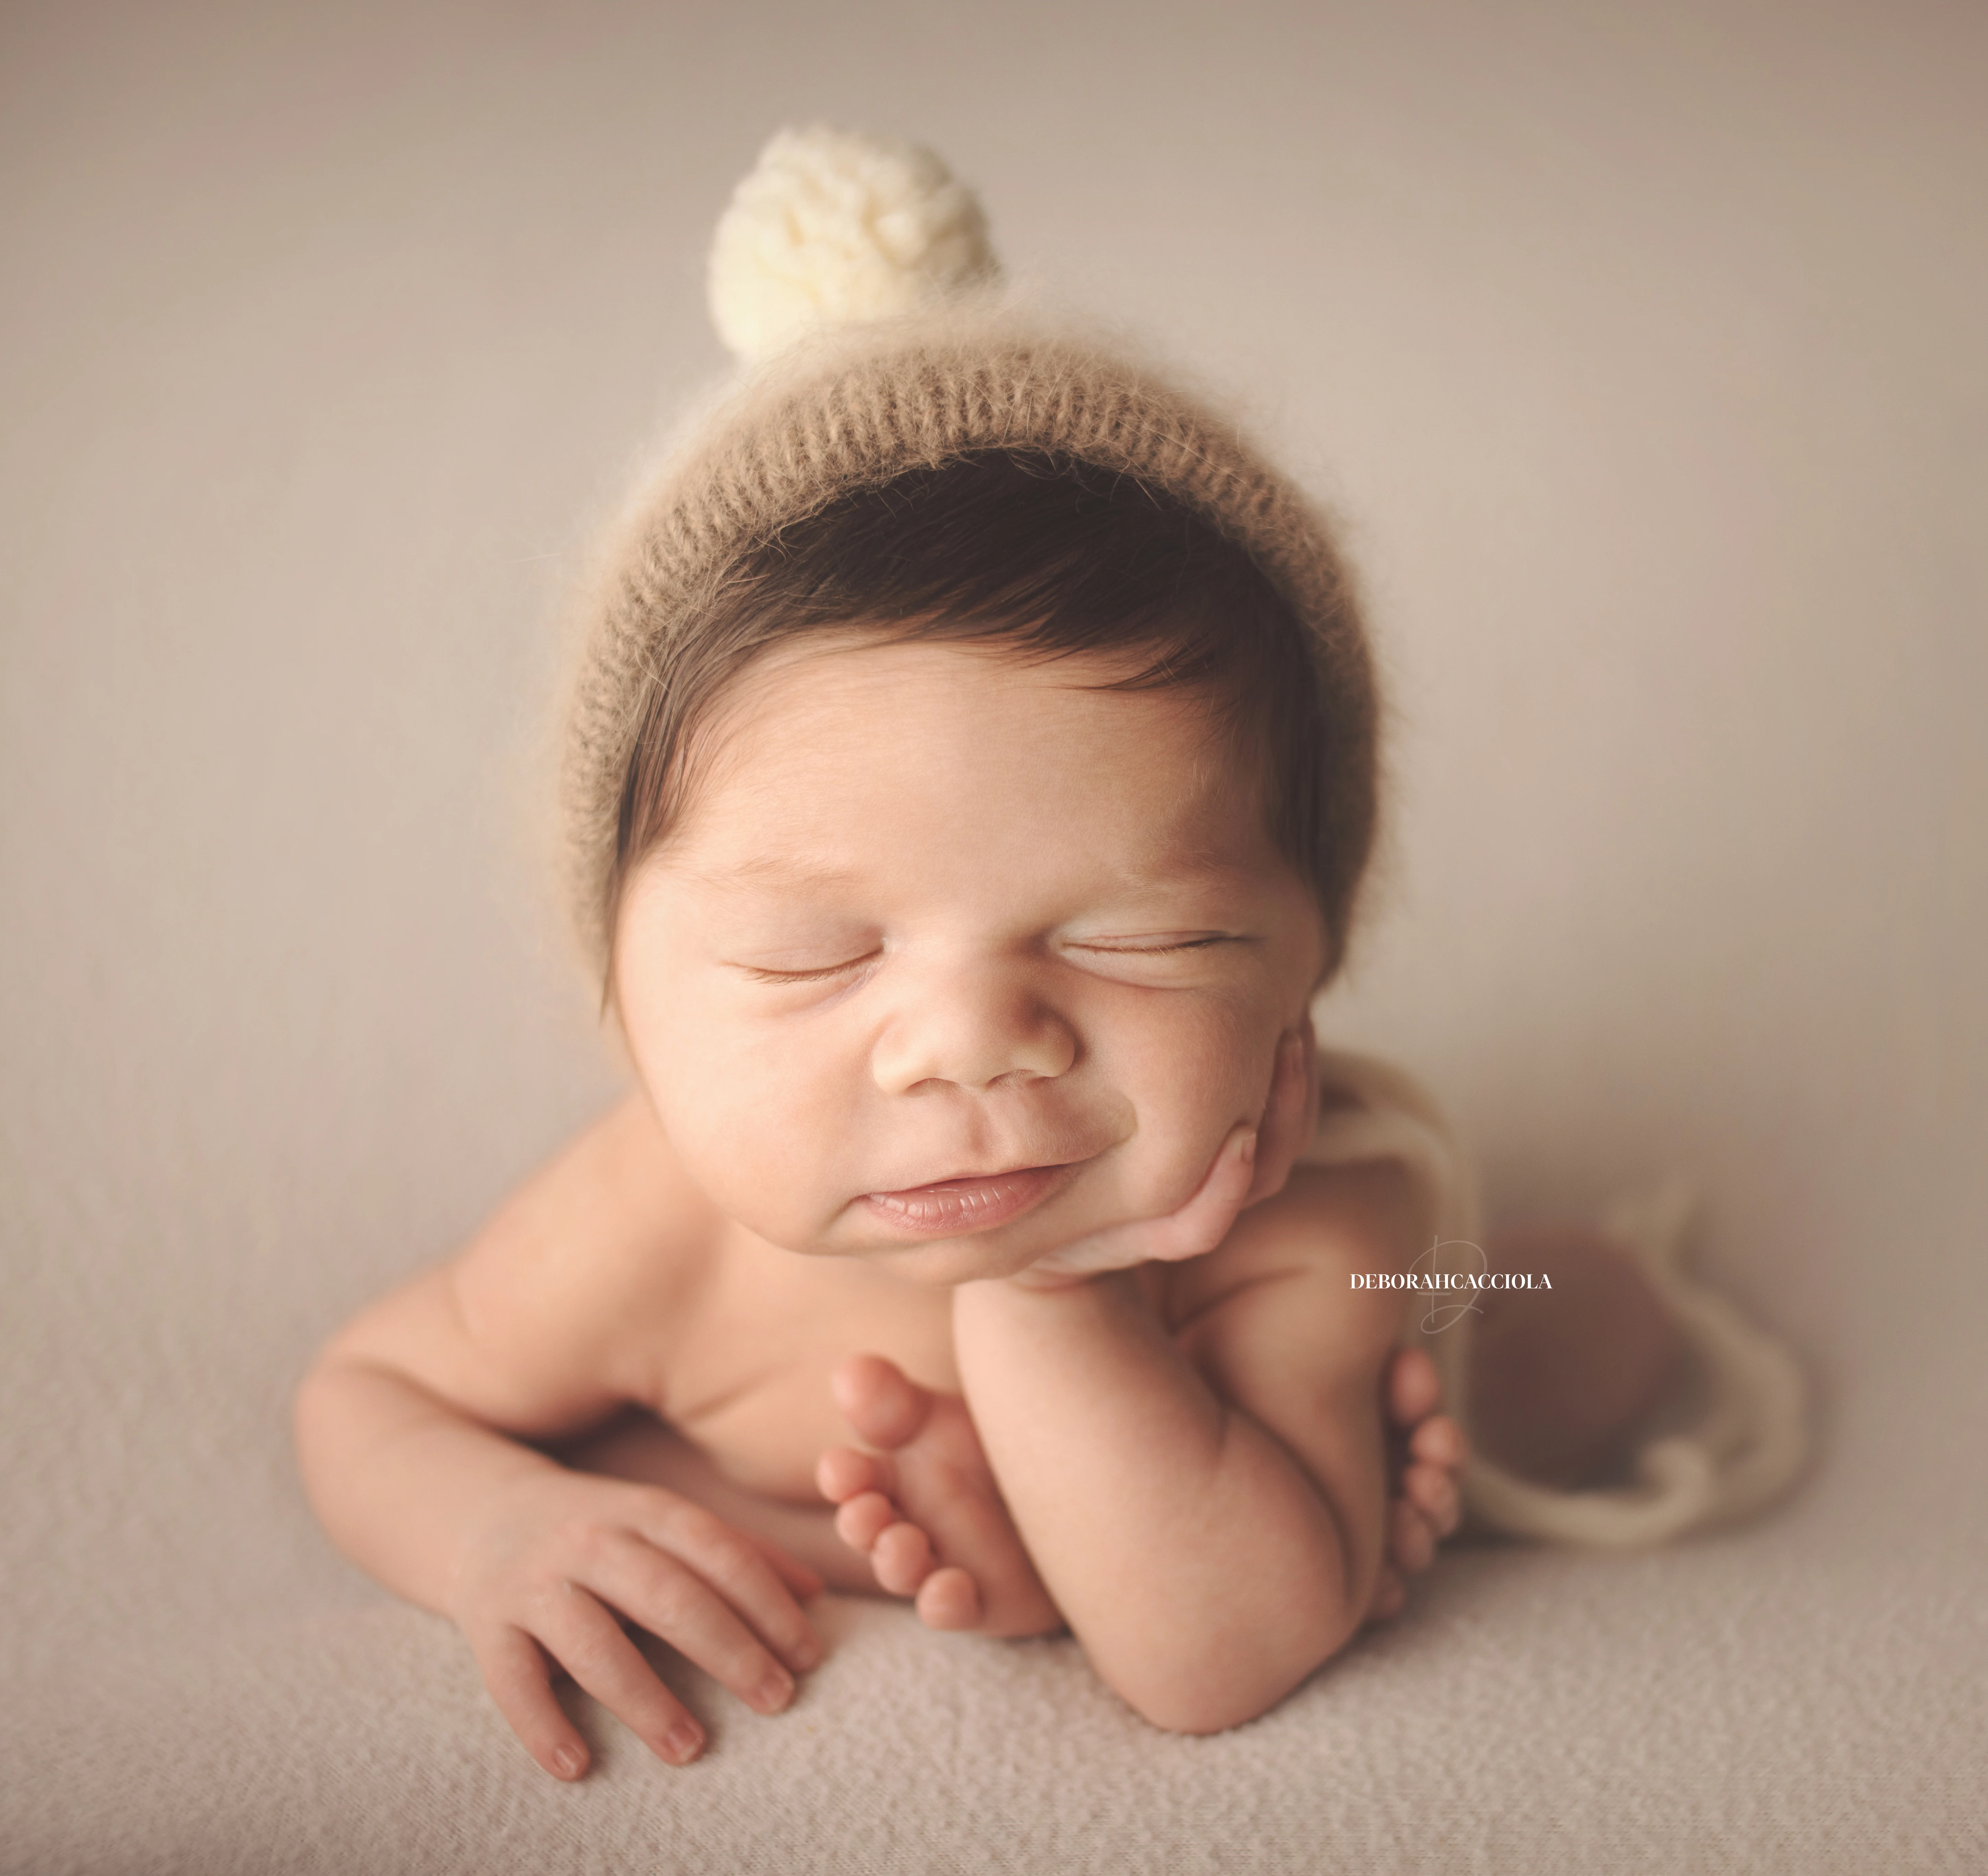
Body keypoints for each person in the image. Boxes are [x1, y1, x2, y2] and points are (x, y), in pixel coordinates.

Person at [294, 128, 1804, 1783]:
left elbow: (1216, 1654)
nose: (968, 1041)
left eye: (1137, 938)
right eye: (809, 955)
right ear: (627, 994)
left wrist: (1053, 1297)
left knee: (1572, 1318)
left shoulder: (1307, 1232)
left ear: (1305, 962)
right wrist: (494, 1521)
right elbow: (369, 1393)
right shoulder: (648, 1223)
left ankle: (1569, 1296)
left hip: (1430, 1294)